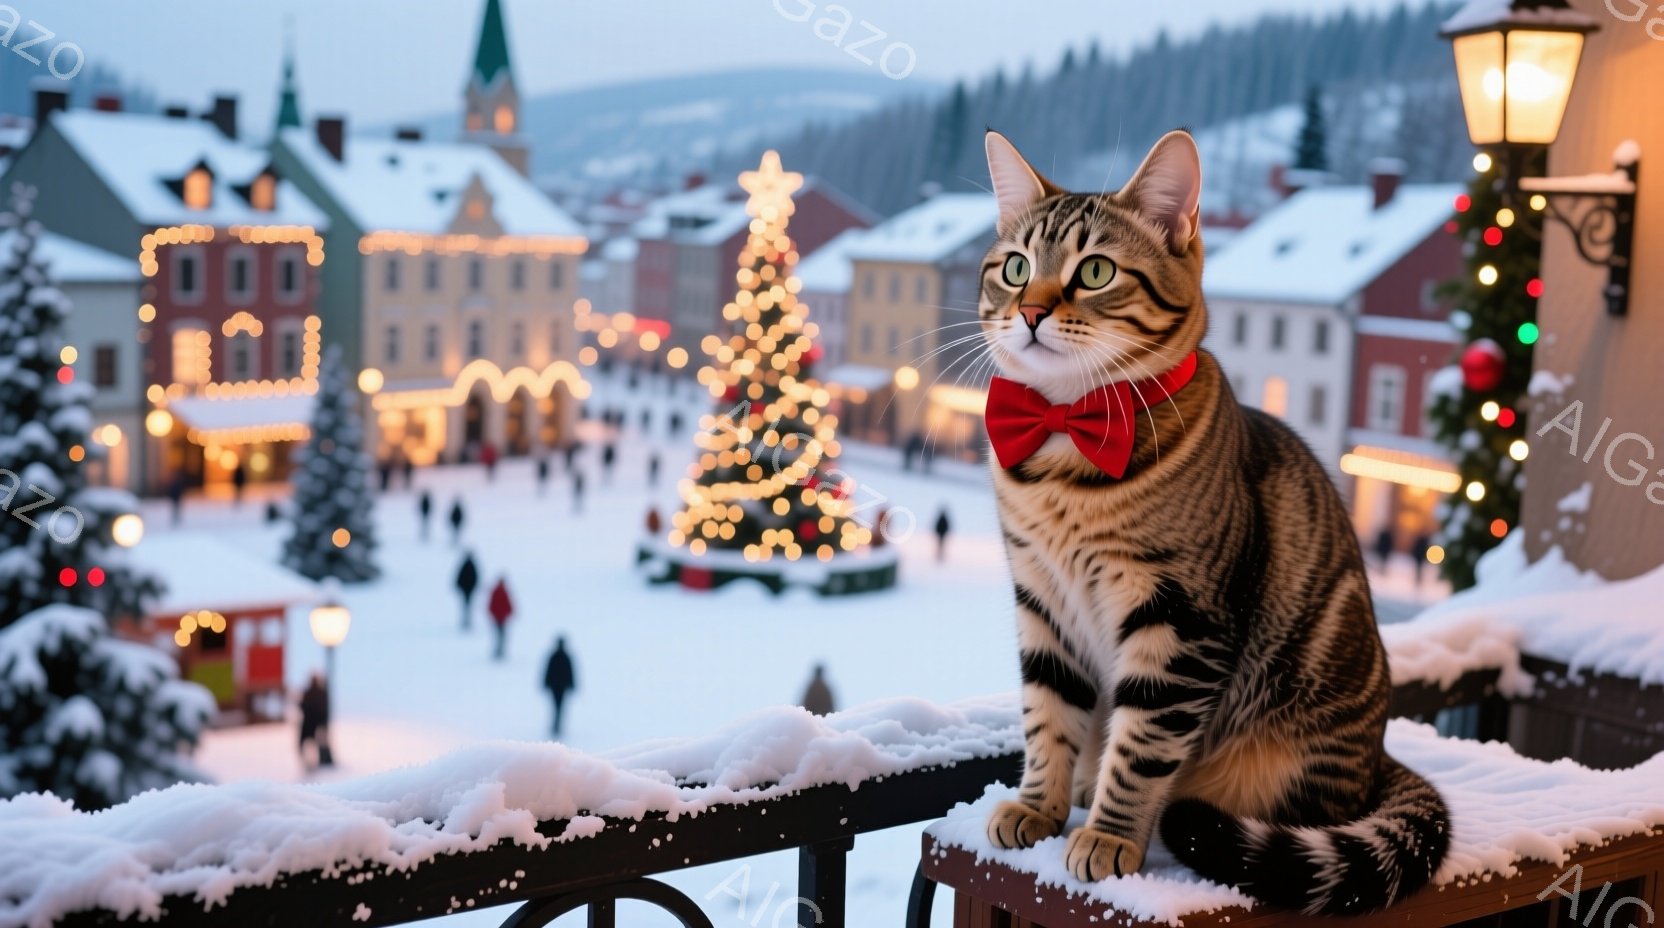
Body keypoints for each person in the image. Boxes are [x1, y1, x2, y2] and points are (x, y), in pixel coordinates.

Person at [543, 636, 577, 737]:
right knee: (558, 706)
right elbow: (549, 671)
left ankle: (557, 725)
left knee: (558, 706)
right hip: (558, 686)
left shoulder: (559, 656)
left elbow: (570, 672)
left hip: (559, 686)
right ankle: (556, 725)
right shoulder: (562, 657)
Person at [298, 672, 331, 770]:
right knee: (315, 744)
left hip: (309, 724)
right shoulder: (321, 693)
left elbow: (302, 706)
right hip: (316, 724)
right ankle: (315, 762)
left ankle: (313, 762)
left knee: (306, 744)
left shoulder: (309, 692)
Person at [487, 576, 514, 661]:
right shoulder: (498, 591)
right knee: (500, 635)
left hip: (502, 617)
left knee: (501, 635)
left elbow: (508, 604)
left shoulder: (502, 591)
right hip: (498, 617)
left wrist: (509, 612)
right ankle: (498, 651)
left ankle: (500, 651)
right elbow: (492, 604)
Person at [454, 551, 480, 630]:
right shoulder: (469, 565)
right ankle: (466, 620)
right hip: (467, 589)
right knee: (467, 605)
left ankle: (467, 620)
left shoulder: (468, 565)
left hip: (468, 589)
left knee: (467, 605)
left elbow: (474, 578)